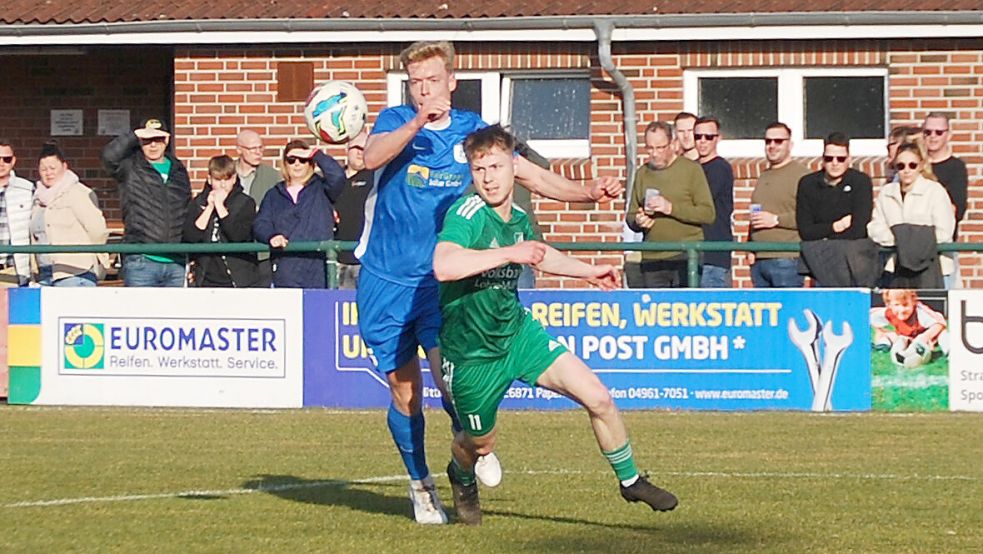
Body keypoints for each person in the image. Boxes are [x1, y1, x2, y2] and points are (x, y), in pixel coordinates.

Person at [359, 40, 623, 524]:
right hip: (385, 280)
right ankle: (421, 486)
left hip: (440, 281)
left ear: (452, 81)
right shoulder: (395, 121)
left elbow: (530, 175)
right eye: (416, 83)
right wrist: (417, 122)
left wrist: (587, 192)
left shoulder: (471, 131)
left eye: (433, 81)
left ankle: (473, 443)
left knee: (450, 383)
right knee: (405, 393)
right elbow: (371, 158)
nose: (424, 90)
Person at [434, 126, 677, 525]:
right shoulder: (467, 214)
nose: (489, 178)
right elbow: (444, 265)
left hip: (517, 336)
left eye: (496, 167)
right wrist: (509, 253)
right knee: (478, 444)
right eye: (479, 170)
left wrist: (589, 272)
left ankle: (631, 480)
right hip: (473, 356)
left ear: (514, 167)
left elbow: (540, 255)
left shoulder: (518, 218)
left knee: (598, 396)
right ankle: (460, 476)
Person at [102, 117, 191, 287]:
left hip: (176, 261)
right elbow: (109, 157)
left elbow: (187, 209)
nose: (153, 145)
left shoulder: (179, 170)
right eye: (147, 140)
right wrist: (133, 135)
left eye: (158, 139)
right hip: (141, 260)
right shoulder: (130, 166)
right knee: (140, 306)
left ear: (167, 140)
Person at [625, 120, 715, 288]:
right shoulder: (642, 173)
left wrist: (670, 208)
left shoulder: (691, 170)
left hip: (686, 254)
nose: (654, 154)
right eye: (650, 148)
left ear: (673, 144)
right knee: (656, 305)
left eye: (660, 148)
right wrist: (638, 221)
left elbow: (708, 213)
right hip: (652, 257)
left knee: (684, 303)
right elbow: (631, 215)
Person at [252, 139, 345, 288]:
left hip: (318, 268)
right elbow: (261, 223)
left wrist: (316, 154)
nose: (297, 164)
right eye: (291, 160)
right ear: (285, 164)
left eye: (303, 160)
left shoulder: (322, 188)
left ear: (310, 163)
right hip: (285, 269)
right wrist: (271, 236)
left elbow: (338, 176)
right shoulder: (273, 194)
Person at [868, 143, 955, 288]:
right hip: (896, 269)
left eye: (912, 165)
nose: (906, 170)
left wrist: (904, 238)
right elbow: (875, 228)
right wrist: (901, 240)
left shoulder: (935, 191)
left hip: (934, 267)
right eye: (901, 166)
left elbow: (944, 231)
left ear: (921, 165)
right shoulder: (886, 193)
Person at [30, 141, 109, 287]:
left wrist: (96, 257)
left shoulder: (78, 193)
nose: (48, 173)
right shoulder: (37, 198)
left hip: (75, 272)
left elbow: (97, 229)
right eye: (43, 169)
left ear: (64, 167)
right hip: (45, 273)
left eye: (53, 168)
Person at [748, 122, 809, 288]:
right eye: (768, 141)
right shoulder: (764, 175)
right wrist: (750, 247)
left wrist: (776, 220)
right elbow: (756, 215)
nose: (772, 146)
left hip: (786, 258)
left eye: (778, 141)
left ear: (790, 144)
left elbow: (811, 217)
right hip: (759, 259)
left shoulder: (802, 176)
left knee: (787, 305)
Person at [183, 155, 259, 288]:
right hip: (205, 277)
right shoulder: (198, 202)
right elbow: (190, 237)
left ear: (234, 179)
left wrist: (220, 206)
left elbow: (238, 236)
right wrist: (209, 208)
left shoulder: (245, 203)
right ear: (209, 179)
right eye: (218, 180)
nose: (223, 185)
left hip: (238, 278)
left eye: (227, 179)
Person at [796, 132, 873, 242]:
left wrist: (824, 233)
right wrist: (836, 226)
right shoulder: (808, 184)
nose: (835, 163)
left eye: (840, 159)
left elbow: (859, 230)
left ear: (849, 159)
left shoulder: (860, 182)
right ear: (823, 159)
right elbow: (806, 231)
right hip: (816, 249)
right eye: (829, 158)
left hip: (851, 248)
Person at [922, 112, 968, 289]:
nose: (932, 136)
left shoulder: (956, 168)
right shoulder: (913, 165)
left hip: (943, 249)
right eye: (928, 132)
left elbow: (956, 210)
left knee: (947, 297)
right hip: (912, 249)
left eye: (938, 132)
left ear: (948, 135)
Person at [235, 129, 279, 287]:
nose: (258, 152)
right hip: (234, 251)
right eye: (253, 148)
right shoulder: (227, 173)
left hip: (262, 252)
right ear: (239, 149)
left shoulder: (272, 176)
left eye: (260, 148)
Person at [693, 116, 734, 287]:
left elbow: (700, 201)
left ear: (718, 138)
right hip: (694, 251)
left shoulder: (720, 168)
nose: (702, 141)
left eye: (708, 137)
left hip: (714, 253)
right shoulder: (691, 168)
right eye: (698, 136)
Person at [333, 129, 372, 290]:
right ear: (347, 149)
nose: (360, 152)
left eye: (365, 148)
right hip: (337, 260)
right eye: (356, 148)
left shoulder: (374, 179)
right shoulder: (334, 180)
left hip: (364, 260)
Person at [870, 289, 948, 357]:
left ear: (913, 301)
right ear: (889, 304)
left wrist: (925, 337)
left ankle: (949, 351)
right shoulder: (888, 312)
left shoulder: (920, 312)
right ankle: (883, 345)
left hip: (927, 341)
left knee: (943, 335)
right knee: (889, 336)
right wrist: (879, 331)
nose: (901, 310)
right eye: (897, 305)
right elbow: (869, 317)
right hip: (905, 338)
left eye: (905, 305)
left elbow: (939, 323)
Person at [0, 139, 33, 287]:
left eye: (6, 159)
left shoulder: (27, 189)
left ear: (13, 161)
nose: (1, 163)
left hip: (13, 269)